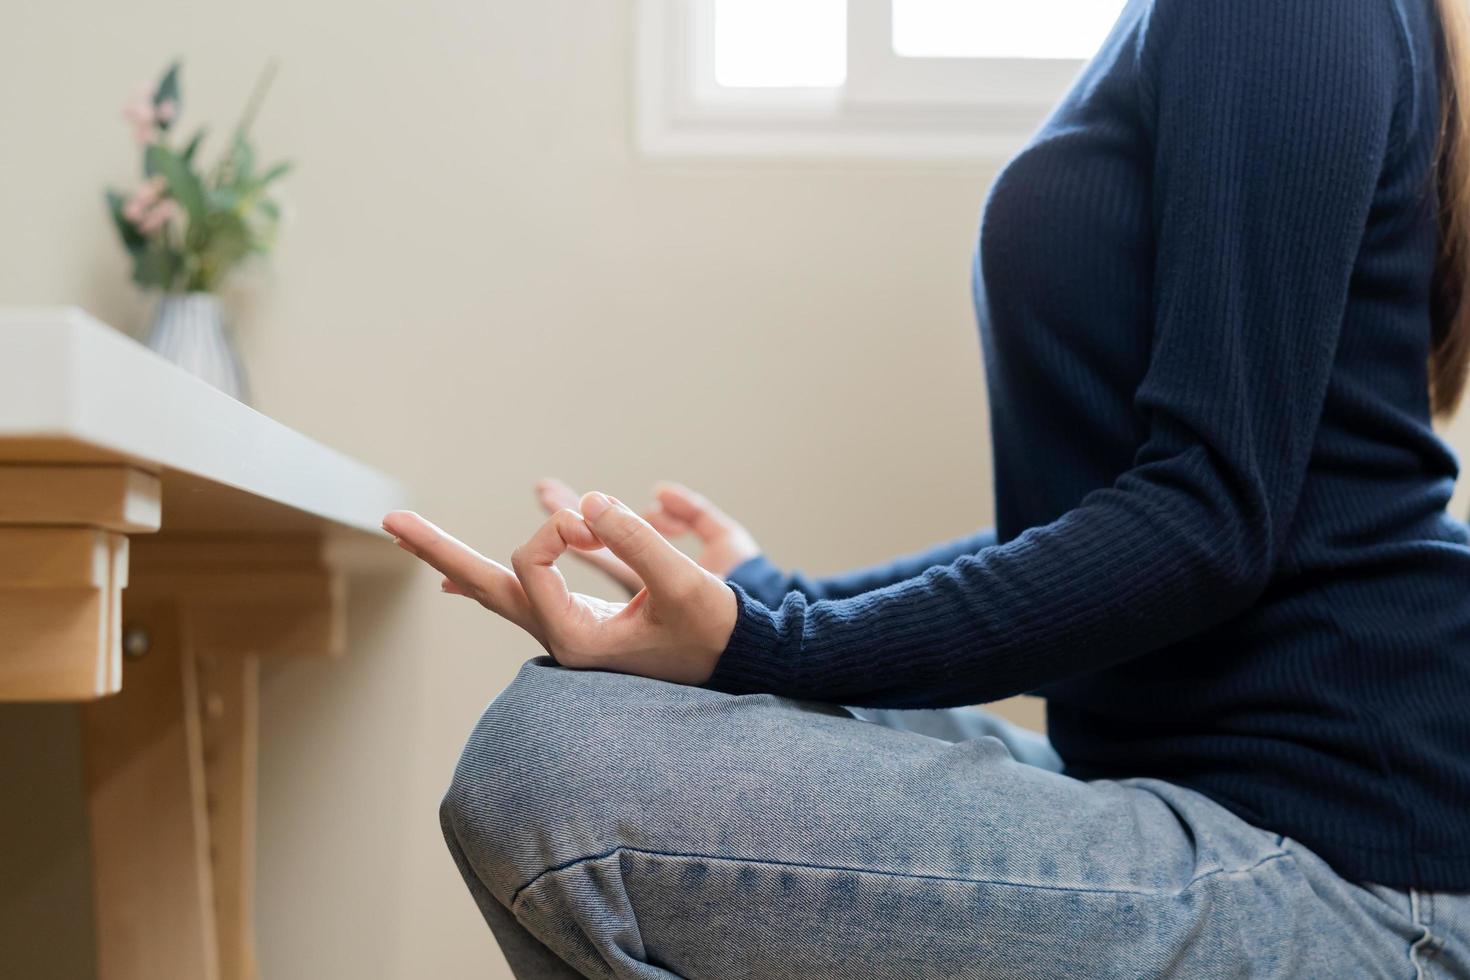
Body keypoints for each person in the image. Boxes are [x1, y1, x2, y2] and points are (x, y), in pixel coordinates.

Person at [384, 0, 1470, 974]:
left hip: (1351, 861)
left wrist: (768, 640)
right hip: (1215, 805)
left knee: (553, 768)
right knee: (591, 717)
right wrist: (771, 603)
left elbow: (1208, 519)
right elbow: (1117, 511)